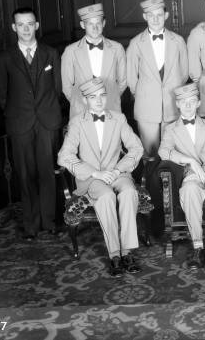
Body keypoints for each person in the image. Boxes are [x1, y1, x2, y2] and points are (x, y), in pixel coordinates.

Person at [58, 78, 144, 277]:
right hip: (92, 178)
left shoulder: (118, 118)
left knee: (129, 191)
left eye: (102, 96)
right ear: (86, 100)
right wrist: (94, 173)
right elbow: (64, 156)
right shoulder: (77, 122)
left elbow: (136, 147)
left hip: (116, 173)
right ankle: (114, 255)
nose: (98, 101)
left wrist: (117, 169)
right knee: (106, 196)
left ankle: (128, 252)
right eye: (93, 97)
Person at [0, 7, 63, 241]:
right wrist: (16, 113)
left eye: (29, 24)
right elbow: (1, 93)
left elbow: (58, 88)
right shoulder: (5, 58)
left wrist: (47, 113)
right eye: (20, 24)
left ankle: (49, 221)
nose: (25, 28)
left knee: (47, 173)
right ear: (14, 27)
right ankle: (31, 226)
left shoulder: (50, 53)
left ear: (37, 25)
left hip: (46, 122)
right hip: (20, 123)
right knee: (26, 175)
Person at [126, 0, 188, 233]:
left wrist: (167, 94)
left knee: (173, 158)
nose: (155, 18)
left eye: (159, 14)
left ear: (166, 15)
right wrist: (149, 96)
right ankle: (154, 217)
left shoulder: (178, 41)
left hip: (173, 108)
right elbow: (132, 81)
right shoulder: (135, 43)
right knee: (150, 161)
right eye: (150, 15)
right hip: (148, 111)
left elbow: (183, 75)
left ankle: (176, 211)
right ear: (145, 17)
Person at [158, 83, 205, 270]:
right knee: (189, 189)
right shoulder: (171, 129)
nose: (188, 106)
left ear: (198, 103)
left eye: (192, 102)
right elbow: (164, 151)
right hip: (191, 174)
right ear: (178, 104)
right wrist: (189, 160)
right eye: (183, 102)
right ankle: (197, 245)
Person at [61, 3, 127, 118]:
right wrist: (80, 103)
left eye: (98, 23)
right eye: (90, 24)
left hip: (111, 108)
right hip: (81, 111)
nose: (95, 28)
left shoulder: (117, 48)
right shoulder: (71, 51)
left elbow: (123, 82)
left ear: (104, 23)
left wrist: (110, 98)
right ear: (82, 25)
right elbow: (67, 86)